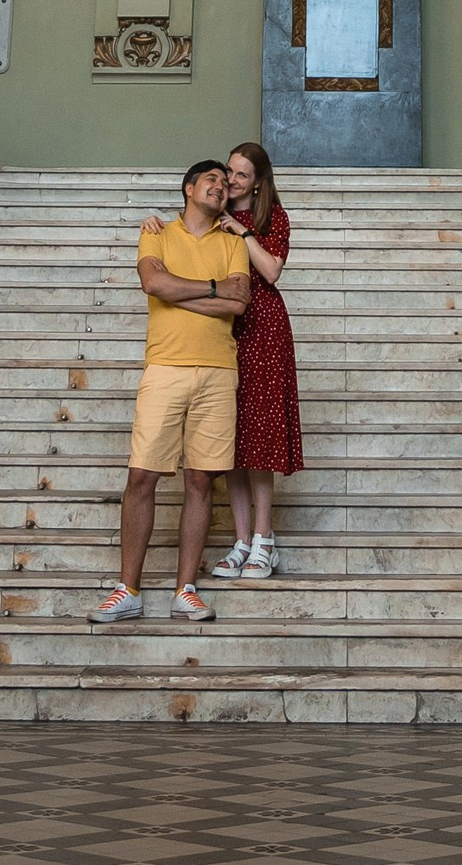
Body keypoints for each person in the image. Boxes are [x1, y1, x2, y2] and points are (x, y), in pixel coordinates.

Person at [89, 159, 250, 627]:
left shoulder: (233, 241)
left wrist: (185, 292)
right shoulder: (156, 233)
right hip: (165, 368)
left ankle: (186, 591)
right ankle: (129, 589)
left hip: (219, 371)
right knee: (142, 476)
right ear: (188, 188)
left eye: (225, 182)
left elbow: (240, 301)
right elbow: (153, 283)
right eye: (211, 180)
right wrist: (214, 290)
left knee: (201, 481)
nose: (221, 187)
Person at [210, 140, 303, 581]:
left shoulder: (271, 218)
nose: (231, 179)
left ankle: (265, 540)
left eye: (241, 174)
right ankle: (241, 540)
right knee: (230, 440)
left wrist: (240, 230)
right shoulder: (212, 211)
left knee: (260, 439)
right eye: (229, 170)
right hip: (224, 330)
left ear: (259, 182)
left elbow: (270, 271)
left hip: (264, 329)